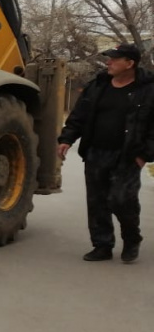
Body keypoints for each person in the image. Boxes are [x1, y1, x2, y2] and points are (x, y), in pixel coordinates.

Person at [57, 43, 154, 263]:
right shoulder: (98, 85)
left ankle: (131, 240)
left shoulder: (149, 90)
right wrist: (66, 139)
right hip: (96, 152)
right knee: (97, 201)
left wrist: (144, 155)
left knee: (122, 200)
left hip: (128, 155)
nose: (108, 62)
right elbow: (79, 116)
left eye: (114, 59)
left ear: (130, 63)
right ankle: (102, 245)